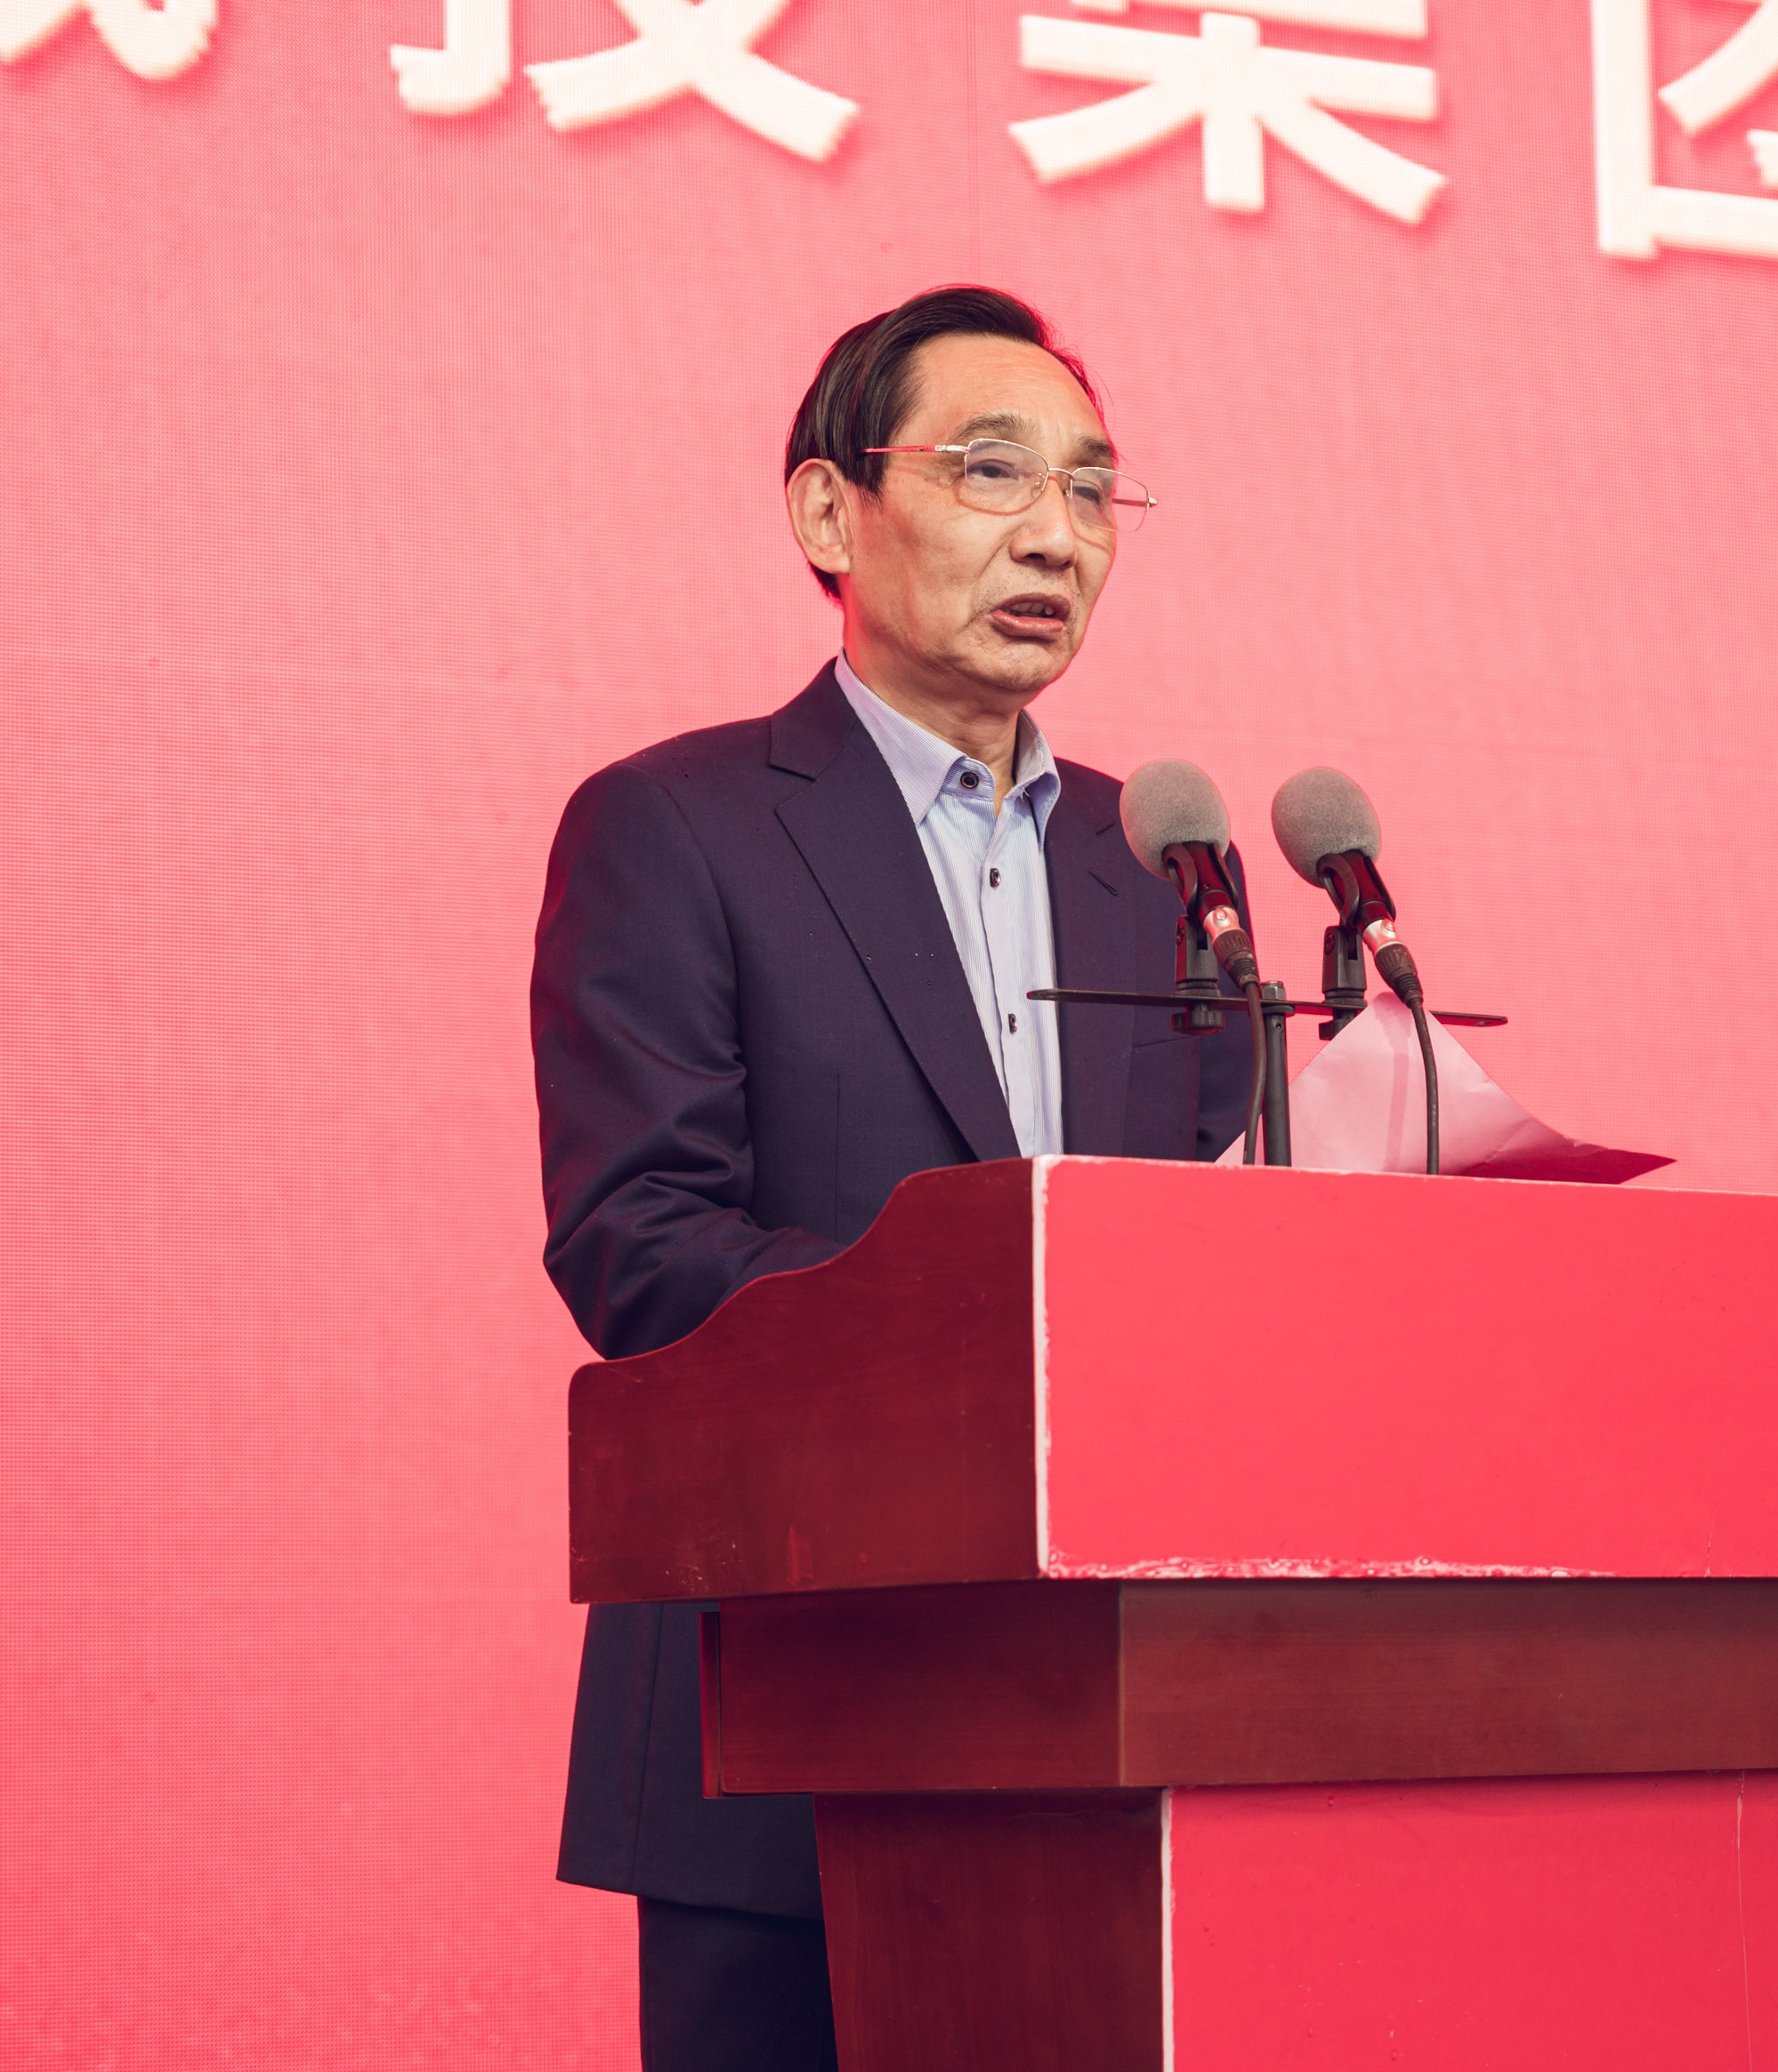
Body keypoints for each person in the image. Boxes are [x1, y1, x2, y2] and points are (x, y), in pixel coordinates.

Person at [529, 286, 1256, 2070]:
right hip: (791, 1710)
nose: (1056, 535)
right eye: (992, 471)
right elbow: (642, 1247)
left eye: (1090, 488)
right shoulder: (677, 824)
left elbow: (1207, 1245)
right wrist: (997, 1325)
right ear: (828, 511)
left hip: (1117, 1719)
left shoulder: (1157, 863)